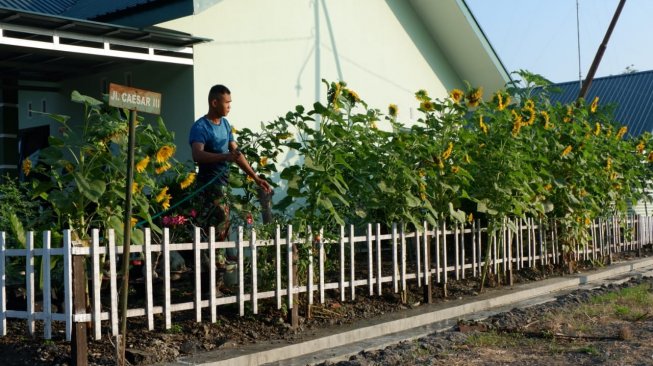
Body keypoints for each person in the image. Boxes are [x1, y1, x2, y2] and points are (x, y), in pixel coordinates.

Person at [189, 84, 272, 240]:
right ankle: (216, 262)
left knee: (223, 225)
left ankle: (219, 261)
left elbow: (237, 154)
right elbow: (197, 155)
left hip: (223, 184)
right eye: (227, 103)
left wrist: (255, 177)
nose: (229, 107)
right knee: (212, 226)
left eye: (230, 102)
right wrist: (224, 157)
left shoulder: (225, 125)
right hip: (208, 186)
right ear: (214, 103)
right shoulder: (200, 127)